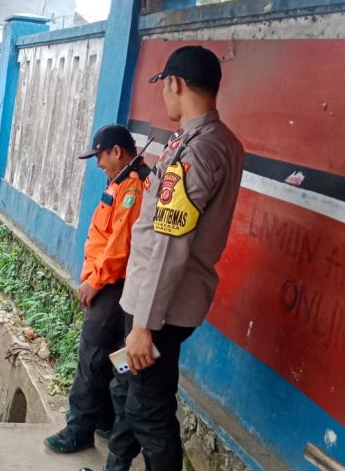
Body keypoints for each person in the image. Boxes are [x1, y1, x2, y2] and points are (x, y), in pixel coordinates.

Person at [103, 46, 244, 471]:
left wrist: (144, 325)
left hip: (157, 309)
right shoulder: (205, 141)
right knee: (128, 388)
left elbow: (169, 241)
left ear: (175, 84)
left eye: (165, 87)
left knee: (148, 407)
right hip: (151, 299)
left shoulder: (199, 150)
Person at [45, 124, 150, 455]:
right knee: (108, 358)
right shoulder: (120, 183)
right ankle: (104, 420)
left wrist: (95, 280)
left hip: (113, 286)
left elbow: (120, 245)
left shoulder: (133, 188)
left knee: (91, 358)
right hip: (108, 282)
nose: (98, 164)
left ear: (117, 151)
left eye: (101, 156)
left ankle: (78, 430)